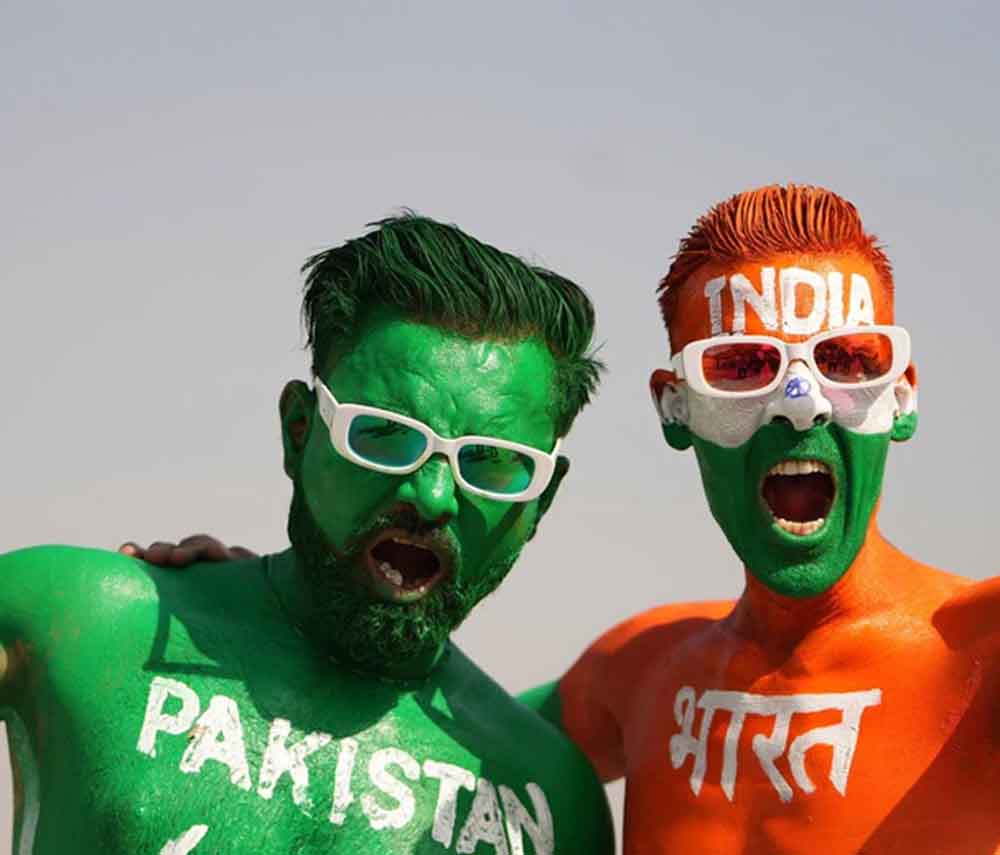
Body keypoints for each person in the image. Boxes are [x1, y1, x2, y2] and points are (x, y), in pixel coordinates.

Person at [147, 186, 1000, 854]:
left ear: (902, 395)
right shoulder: (644, 671)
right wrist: (273, 604)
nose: (799, 403)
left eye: (846, 361)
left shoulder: (979, 652)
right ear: (675, 408)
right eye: (742, 366)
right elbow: (412, 713)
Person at [1, 216, 614, 854]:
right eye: (383, 435)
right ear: (299, 432)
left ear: (542, 502)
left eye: (492, 464)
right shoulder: (80, 622)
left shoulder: (551, 803)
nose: (432, 496)